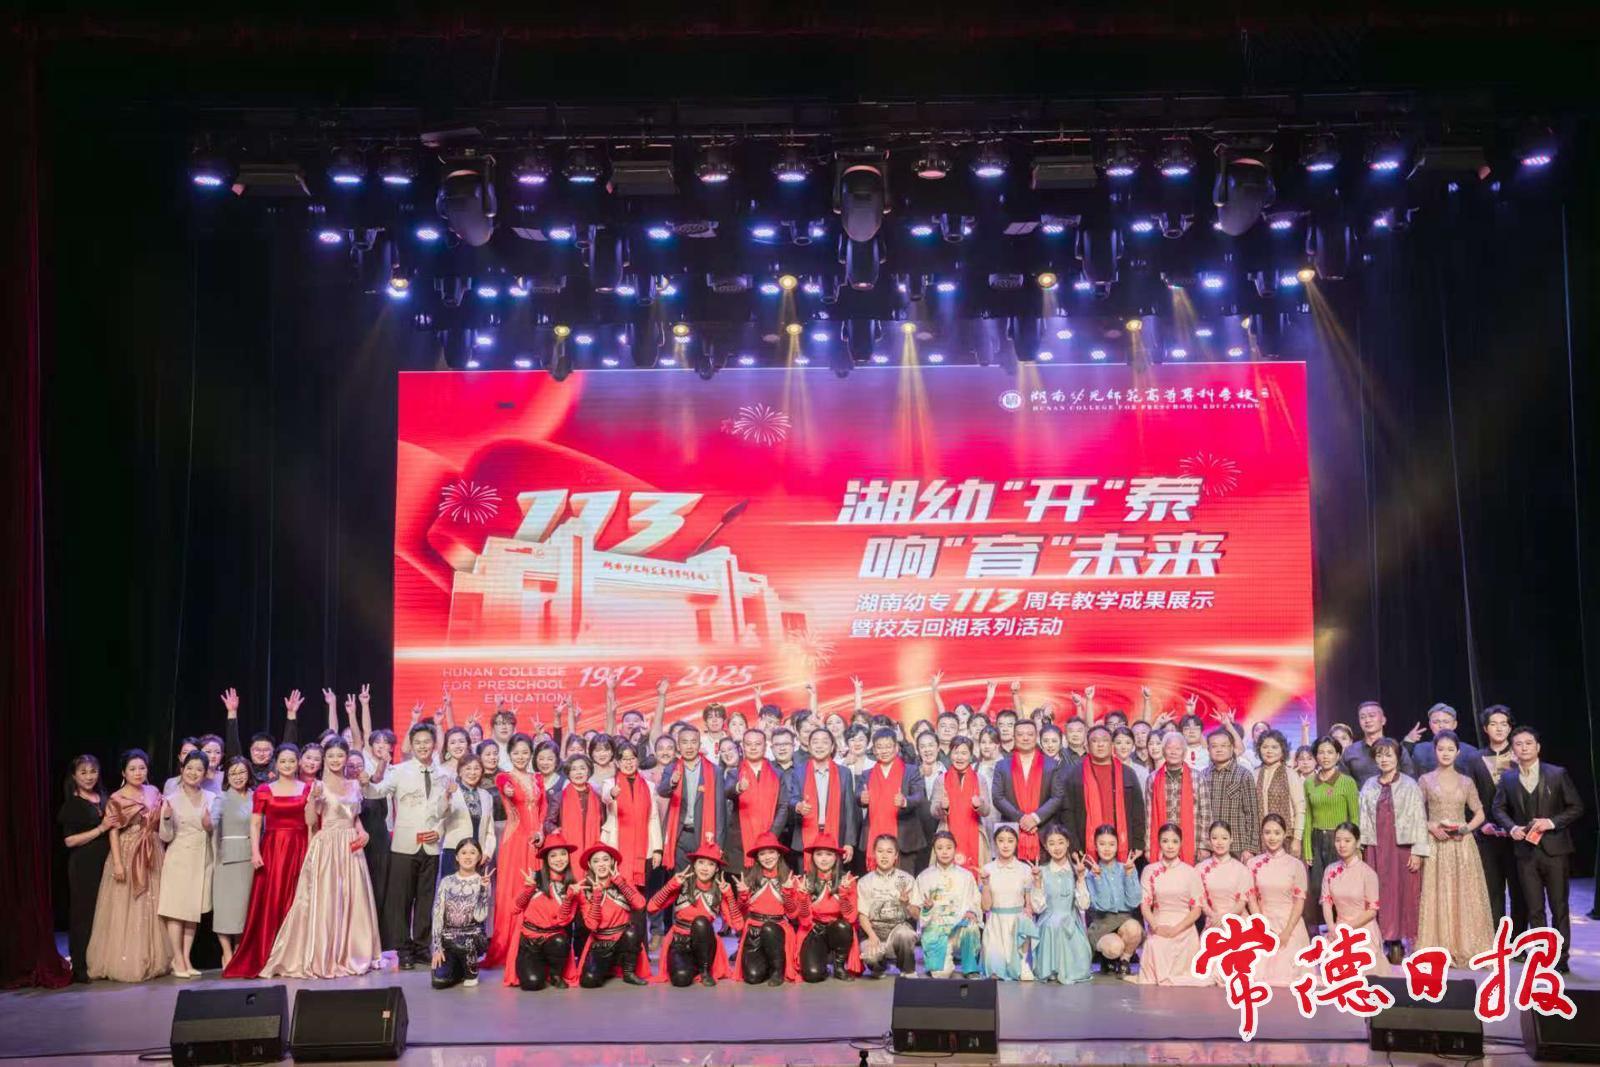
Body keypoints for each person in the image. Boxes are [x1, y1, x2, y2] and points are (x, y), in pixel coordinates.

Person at [261, 738, 383, 978]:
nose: (336, 760)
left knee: (353, 900)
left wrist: (363, 832)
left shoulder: (354, 785)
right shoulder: (317, 785)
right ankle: (324, 956)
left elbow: (354, 817)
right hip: (327, 845)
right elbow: (309, 821)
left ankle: (352, 953)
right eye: (331, 756)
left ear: (346, 758)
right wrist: (314, 800)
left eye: (340, 755)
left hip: (351, 846)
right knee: (328, 900)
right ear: (325, 759)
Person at [1492, 726, 1583, 972]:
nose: (1524, 748)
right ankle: (1543, 956)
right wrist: (1511, 827)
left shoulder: (1556, 774)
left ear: (1538, 747)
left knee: (1559, 907)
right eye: (1518, 744)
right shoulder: (1508, 778)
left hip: (1555, 851)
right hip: (1525, 853)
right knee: (1534, 909)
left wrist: (1551, 822)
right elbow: (1498, 808)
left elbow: (1576, 807)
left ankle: (1561, 959)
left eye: (1528, 743)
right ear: (1513, 749)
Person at [362, 722, 448, 970]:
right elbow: (377, 792)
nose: (422, 746)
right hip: (404, 845)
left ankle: (421, 947)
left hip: (431, 845)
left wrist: (439, 832)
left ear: (434, 745)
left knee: (426, 899)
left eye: (427, 742)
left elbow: (447, 811)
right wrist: (366, 783)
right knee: (401, 900)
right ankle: (404, 950)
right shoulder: (399, 771)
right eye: (417, 742)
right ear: (411, 745)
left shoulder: (443, 774)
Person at [221, 745, 309, 978]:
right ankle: (270, 955)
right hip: (273, 849)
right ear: (276, 764)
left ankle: (294, 956)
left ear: (298, 763)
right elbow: (255, 823)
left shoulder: (307, 789)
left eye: (292, 761)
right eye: (283, 761)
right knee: (273, 899)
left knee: (298, 899)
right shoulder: (264, 790)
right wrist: (255, 852)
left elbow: (312, 822)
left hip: (300, 846)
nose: (287, 765)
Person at [86, 749, 170, 982]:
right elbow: (113, 832)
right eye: (132, 769)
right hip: (127, 850)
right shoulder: (117, 797)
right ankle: (127, 959)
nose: (138, 772)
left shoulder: (154, 791)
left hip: (152, 849)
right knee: (128, 904)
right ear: (124, 772)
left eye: (142, 768)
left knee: (152, 903)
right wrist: (118, 863)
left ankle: (153, 958)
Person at [1358, 738, 1427, 963]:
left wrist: (1418, 851)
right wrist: (1361, 848)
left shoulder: (1409, 785)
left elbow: (1419, 818)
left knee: (1402, 893)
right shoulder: (1369, 785)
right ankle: (1381, 940)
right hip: (1376, 847)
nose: (1384, 759)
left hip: (1402, 847)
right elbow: (1362, 818)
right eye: (1379, 755)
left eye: (1388, 755)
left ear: (1397, 757)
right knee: (1378, 892)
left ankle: (1401, 941)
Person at [485, 732, 546, 969]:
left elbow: (542, 809)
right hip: (515, 840)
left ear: (531, 754)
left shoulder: (537, 778)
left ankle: (533, 942)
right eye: (516, 753)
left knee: (535, 890)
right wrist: (508, 791)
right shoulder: (504, 777)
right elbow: (505, 789)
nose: (521, 756)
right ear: (509, 754)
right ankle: (510, 945)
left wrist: (540, 831)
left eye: (525, 752)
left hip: (535, 840)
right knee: (515, 890)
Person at [647, 842, 742, 987]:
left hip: (706, 945)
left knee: (700, 922)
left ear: (716, 869)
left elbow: (738, 925)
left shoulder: (719, 890)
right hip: (680, 942)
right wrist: (671, 885)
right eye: (701, 862)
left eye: (711, 864)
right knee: (681, 979)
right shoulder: (682, 884)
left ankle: (705, 971)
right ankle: (690, 966)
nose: (705, 868)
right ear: (694, 865)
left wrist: (729, 895)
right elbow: (651, 907)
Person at [157, 751, 218, 978]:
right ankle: (177, 959)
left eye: (199, 769)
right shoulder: (171, 799)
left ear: (205, 773)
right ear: (182, 770)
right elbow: (165, 836)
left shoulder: (212, 797)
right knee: (177, 910)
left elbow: (215, 831)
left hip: (203, 859)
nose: (193, 773)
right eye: (189, 768)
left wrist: (209, 826)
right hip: (179, 858)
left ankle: (186, 957)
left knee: (193, 910)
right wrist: (165, 818)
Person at [1133, 823, 1207, 986]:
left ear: (1181, 843)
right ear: (1159, 843)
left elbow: (1196, 909)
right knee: (1156, 945)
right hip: (1159, 925)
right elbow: (1145, 905)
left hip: (1184, 927)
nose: (1170, 846)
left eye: (1174, 841)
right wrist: (1156, 927)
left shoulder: (1190, 872)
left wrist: (1176, 929)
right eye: (1165, 841)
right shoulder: (1149, 870)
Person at [59, 755, 111, 983]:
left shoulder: (103, 798)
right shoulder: (73, 803)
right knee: (84, 914)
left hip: (106, 862)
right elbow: (69, 841)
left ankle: (99, 962)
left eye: (93, 771)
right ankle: (79, 966)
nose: (89, 776)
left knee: (104, 912)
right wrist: (101, 829)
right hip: (83, 865)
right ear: (74, 776)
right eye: (83, 772)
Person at [506, 832, 581, 990]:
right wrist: (528, 889)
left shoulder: (572, 885)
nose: (559, 859)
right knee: (532, 984)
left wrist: (569, 897)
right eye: (553, 855)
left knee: (560, 941)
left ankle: (555, 974)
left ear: (568, 857)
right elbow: (514, 909)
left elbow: (563, 921)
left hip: (554, 940)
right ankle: (537, 965)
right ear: (546, 859)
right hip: (530, 940)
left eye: (563, 854)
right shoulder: (534, 878)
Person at [1059, 724, 1146, 860]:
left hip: (1123, 844)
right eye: (1094, 741)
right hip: (1085, 846)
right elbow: (1067, 813)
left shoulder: (1127, 773)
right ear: (1087, 746)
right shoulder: (1075, 774)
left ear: (1112, 745)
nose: (1100, 745)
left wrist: (1138, 842)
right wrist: (1073, 845)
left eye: (1105, 740)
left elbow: (1138, 811)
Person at [1474, 705, 1525, 931]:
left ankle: (1519, 939)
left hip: (1517, 835)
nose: (1499, 728)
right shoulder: (1475, 759)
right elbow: (1470, 797)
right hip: (1488, 836)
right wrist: (1482, 824)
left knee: (1519, 891)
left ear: (1510, 727)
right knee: (1492, 891)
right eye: (1493, 724)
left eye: (1504, 724)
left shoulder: (1521, 755)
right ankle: (1497, 940)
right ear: (1486, 728)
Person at [1302, 735, 1359, 931]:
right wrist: (1307, 849)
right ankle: (1319, 931)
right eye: (1321, 752)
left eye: (1330, 752)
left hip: (1341, 840)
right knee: (1317, 888)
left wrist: (1354, 847)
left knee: (1340, 887)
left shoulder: (1347, 782)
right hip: (1317, 839)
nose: (1325, 756)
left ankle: (1342, 930)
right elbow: (1308, 818)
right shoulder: (1309, 782)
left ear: (1338, 755)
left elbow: (1354, 817)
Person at [733, 832, 804, 985]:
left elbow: (793, 915)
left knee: (769, 928)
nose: (767, 857)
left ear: (778, 854)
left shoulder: (790, 880)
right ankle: (765, 963)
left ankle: (777, 969)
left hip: (776, 932)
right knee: (752, 977)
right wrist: (742, 895)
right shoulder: (750, 880)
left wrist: (787, 893)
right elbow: (740, 912)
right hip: (754, 932)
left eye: (771, 852)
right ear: (757, 858)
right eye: (762, 853)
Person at [574, 842, 649, 987]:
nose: (601, 864)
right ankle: (606, 967)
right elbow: (592, 925)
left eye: (605, 859)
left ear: (612, 862)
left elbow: (640, 905)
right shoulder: (585, 890)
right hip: (601, 944)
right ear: (590, 865)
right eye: (596, 861)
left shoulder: (623, 882)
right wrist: (596, 896)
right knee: (589, 982)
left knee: (632, 931)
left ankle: (628, 972)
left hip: (624, 941)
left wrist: (619, 882)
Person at [1249, 814, 1310, 987]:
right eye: (1267, 832)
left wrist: (1286, 932)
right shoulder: (1253, 864)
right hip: (1263, 925)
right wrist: (1263, 928)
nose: (1272, 837)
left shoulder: (1295, 865)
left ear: (1285, 834)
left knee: (1288, 975)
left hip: (1290, 926)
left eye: (1277, 833)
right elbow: (1252, 899)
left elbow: (1299, 901)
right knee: (1256, 975)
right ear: (1262, 834)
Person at [657, 725, 728, 873]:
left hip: (705, 833)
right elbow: (662, 791)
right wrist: (672, 782)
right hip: (680, 834)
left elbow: (720, 811)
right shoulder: (672, 768)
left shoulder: (715, 771)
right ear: (678, 746)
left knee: (702, 879)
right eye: (684, 742)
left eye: (693, 742)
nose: (689, 747)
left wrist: (719, 844)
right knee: (680, 879)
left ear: (699, 744)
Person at [857, 729, 928, 872]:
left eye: (888, 746)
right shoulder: (867, 774)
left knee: (904, 881)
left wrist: (905, 801)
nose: (884, 751)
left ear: (896, 748)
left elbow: (920, 796)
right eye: (879, 747)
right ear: (874, 750)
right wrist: (862, 799)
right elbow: (858, 796)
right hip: (873, 836)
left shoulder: (911, 771)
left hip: (904, 837)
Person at [787, 727, 858, 869]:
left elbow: (850, 809)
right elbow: (791, 799)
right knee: (806, 881)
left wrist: (849, 842)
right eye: (815, 742)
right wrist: (798, 806)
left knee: (834, 880)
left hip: (836, 836)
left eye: (825, 742)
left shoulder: (844, 773)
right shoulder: (798, 772)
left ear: (832, 747)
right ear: (809, 746)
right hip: (805, 837)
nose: (819, 746)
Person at [915, 831, 984, 978]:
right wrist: (926, 909)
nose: (944, 852)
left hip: (959, 927)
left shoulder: (966, 876)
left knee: (971, 927)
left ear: (955, 849)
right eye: (939, 848)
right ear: (934, 850)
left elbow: (976, 901)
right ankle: (938, 961)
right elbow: (918, 911)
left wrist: (972, 911)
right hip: (935, 931)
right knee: (941, 974)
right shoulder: (924, 877)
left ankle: (970, 968)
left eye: (948, 847)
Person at [1320, 823, 1386, 974]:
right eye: (1338, 840)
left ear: (1357, 843)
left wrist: (1347, 929)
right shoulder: (1330, 870)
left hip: (1362, 929)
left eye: (1347, 841)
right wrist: (1331, 927)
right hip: (1338, 930)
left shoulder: (1367, 873)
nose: (1342, 845)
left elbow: (1372, 911)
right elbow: (1326, 901)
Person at [1030, 828, 1093, 984]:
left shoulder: (1076, 870)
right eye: (1051, 843)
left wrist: (1080, 879)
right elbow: (1037, 908)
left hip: (1071, 920)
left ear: (1068, 843)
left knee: (1064, 924)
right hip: (1048, 922)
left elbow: (1084, 905)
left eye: (1060, 842)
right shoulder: (1041, 871)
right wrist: (1037, 882)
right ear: (1046, 846)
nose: (1057, 848)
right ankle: (1051, 968)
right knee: (1054, 924)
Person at [990, 720, 1058, 864]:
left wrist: (1035, 818)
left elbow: (1057, 797)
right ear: (1014, 737)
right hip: (1011, 832)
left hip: (1043, 831)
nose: (1025, 738)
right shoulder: (1002, 765)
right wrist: (1021, 818)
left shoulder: (1051, 764)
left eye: (1030, 734)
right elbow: (997, 797)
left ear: (1036, 737)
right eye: (1020, 734)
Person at [211, 756, 255, 971]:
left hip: (251, 857)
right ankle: (226, 952)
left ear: (249, 774)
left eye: (242, 772)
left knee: (243, 908)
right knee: (225, 907)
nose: (238, 777)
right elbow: (211, 824)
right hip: (227, 857)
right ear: (226, 776)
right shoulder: (221, 798)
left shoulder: (256, 796)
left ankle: (240, 950)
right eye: (233, 773)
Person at [430, 838, 492, 989]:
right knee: (439, 981)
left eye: (472, 853)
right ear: (457, 857)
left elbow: (480, 916)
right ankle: (458, 968)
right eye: (463, 853)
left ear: (479, 857)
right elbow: (437, 914)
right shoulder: (446, 881)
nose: (468, 856)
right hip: (448, 939)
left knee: (465, 944)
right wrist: (437, 947)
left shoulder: (482, 881)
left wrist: (483, 890)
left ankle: (470, 970)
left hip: (471, 938)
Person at [856, 835, 921, 977]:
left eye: (889, 851)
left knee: (906, 934)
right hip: (874, 933)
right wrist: (872, 936)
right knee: (871, 957)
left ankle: (907, 969)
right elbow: (862, 915)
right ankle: (879, 967)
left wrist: (906, 904)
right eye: (880, 851)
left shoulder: (907, 879)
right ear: (874, 853)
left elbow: (917, 916)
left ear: (896, 855)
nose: (884, 856)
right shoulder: (864, 882)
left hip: (897, 932)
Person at [979, 825, 1038, 980]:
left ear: (1016, 843)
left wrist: (1028, 913)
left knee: (1020, 974)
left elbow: (1029, 904)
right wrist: (985, 884)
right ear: (995, 843)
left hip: (1017, 924)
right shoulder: (987, 869)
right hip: (995, 923)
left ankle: (1023, 962)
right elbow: (986, 907)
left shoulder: (1024, 869)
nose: (1005, 845)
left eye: (1010, 841)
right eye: (1001, 841)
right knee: (995, 973)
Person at [798, 835, 860, 982]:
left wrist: (843, 894)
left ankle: (839, 966)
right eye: (819, 854)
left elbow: (851, 918)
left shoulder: (847, 880)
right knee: (812, 975)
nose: (824, 859)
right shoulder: (804, 881)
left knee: (843, 926)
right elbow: (804, 921)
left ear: (836, 857)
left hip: (837, 930)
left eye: (829, 854)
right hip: (814, 930)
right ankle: (821, 963)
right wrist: (803, 897)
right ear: (813, 857)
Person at [1082, 824, 1143, 975]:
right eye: (1102, 844)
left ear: (1117, 846)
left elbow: (1133, 902)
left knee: (1135, 928)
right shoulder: (1091, 874)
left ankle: (1124, 960)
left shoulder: (1126, 867)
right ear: (1095, 846)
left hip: (1124, 921)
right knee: (1114, 948)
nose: (1107, 848)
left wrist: (1129, 874)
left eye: (1111, 844)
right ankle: (1107, 957)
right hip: (1102, 924)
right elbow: (1103, 906)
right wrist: (1098, 878)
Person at [727, 729, 789, 870]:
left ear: (765, 746)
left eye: (757, 744)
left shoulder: (777, 774)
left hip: (771, 842)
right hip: (741, 843)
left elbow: (783, 806)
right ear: (743, 746)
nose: (753, 748)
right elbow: (727, 792)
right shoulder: (734, 773)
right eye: (749, 744)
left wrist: (771, 835)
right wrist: (738, 788)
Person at [928, 736, 991, 872]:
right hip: (947, 833)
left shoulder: (980, 779)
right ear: (950, 755)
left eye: (964, 753)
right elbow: (933, 811)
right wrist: (942, 807)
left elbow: (987, 811)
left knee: (976, 874)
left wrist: (979, 805)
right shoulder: (941, 779)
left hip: (974, 833)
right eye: (956, 753)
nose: (959, 757)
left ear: (971, 756)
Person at [1195, 729, 1261, 858]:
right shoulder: (1202, 775)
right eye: (1214, 746)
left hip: (1237, 846)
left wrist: (1250, 848)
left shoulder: (1243, 775)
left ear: (1232, 748)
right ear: (1208, 750)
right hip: (1209, 847)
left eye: (1224, 746)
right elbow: (1198, 815)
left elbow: (1252, 814)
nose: (1219, 750)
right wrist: (1202, 845)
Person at [440, 755, 498, 878]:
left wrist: (487, 852)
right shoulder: (451, 792)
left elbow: (490, 830)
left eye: (476, 768)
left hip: (477, 855)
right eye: (468, 768)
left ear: (482, 772)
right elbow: (441, 813)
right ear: (460, 772)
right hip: (454, 852)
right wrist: (447, 795)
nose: (472, 772)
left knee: (475, 889)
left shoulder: (486, 796)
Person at [1146, 734, 1199, 864]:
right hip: (1162, 845)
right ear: (1163, 751)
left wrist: (1204, 846)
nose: (1173, 752)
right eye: (1169, 748)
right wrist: (1148, 846)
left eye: (1178, 748)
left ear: (1184, 752)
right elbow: (1149, 815)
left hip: (1191, 842)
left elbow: (1205, 813)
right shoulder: (1153, 778)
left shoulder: (1197, 777)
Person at [1254, 729, 1305, 856]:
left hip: (1287, 839)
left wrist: (1297, 839)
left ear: (1283, 750)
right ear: (1259, 749)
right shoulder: (1255, 774)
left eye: (1274, 747)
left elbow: (1300, 809)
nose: (1269, 751)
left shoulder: (1290, 774)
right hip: (1261, 839)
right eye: (1265, 747)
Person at [1196, 821, 1252, 930]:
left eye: (1224, 838)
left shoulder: (1242, 869)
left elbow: (1242, 902)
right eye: (1215, 838)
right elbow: (1200, 900)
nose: (1219, 842)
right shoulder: (1200, 869)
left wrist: (1225, 917)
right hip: (1213, 923)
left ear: (1231, 840)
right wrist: (1213, 916)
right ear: (1209, 841)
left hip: (1239, 923)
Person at [1342, 702, 1416, 784]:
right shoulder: (1350, 751)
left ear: (1383, 720)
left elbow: (1410, 779)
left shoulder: (1397, 749)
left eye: (1372, 715)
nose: (1367, 720)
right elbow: (1344, 783)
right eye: (1362, 717)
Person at [549, 754, 606, 859]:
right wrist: (554, 830)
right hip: (567, 849)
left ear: (589, 772)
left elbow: (603, 824)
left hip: (594, 850)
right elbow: (548, 822)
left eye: (582, 768)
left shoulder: (598, 797)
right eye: (574, 769)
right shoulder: (559, 797)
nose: (578, 772)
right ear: (568, 773)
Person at [1404, 703, 1482, 774]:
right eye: (1436, 722)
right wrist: (1408, 740)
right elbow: (1404, 766)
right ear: (1430, 725)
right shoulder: (1420, 750)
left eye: (1446, 722)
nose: (1441, 726)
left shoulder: (1470, 751)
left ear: (1455, 724)